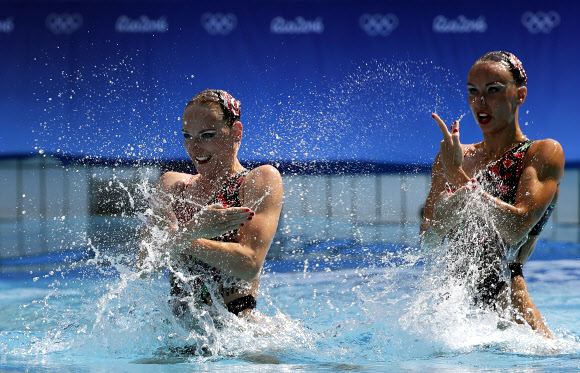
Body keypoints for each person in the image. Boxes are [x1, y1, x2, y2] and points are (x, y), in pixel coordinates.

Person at [420, 51, 564, 338]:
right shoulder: (453, 156)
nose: (480, 102)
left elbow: (515, 229)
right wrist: (444, 217)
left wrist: (458, 177)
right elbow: (429, 242)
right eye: (473, 92)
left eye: (493, 91)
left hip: (511, 319)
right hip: (453, 315)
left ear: (520, 95)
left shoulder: (542, 153)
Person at [139, 89, 283, 320]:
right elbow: (143, 267)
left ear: (235, 132)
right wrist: (194, 230)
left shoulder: (257, 181)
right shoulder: (172, 185)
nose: (194, 147)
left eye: (207, 135)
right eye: (187, 135)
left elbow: (250, 264)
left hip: (237, 333)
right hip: (178, 333)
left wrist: (182, 238)